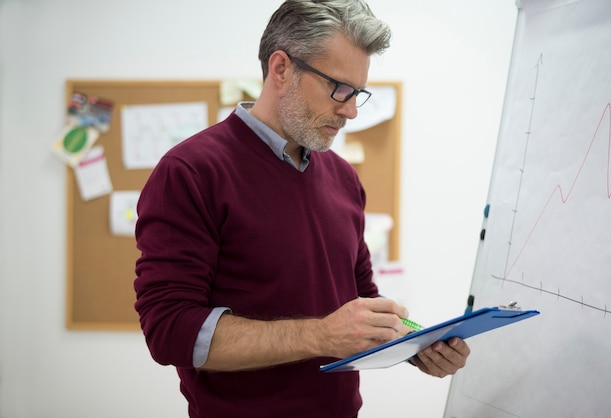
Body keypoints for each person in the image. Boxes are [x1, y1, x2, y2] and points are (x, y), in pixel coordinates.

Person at [134, 1, 470, 417]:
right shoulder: (191, 171)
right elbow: (170, 331)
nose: (349, 110)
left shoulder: (344, 177)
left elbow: (361, 298)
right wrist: (321, 336)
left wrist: (417, 345)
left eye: (358, 93)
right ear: (281, 69)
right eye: (338, 88)